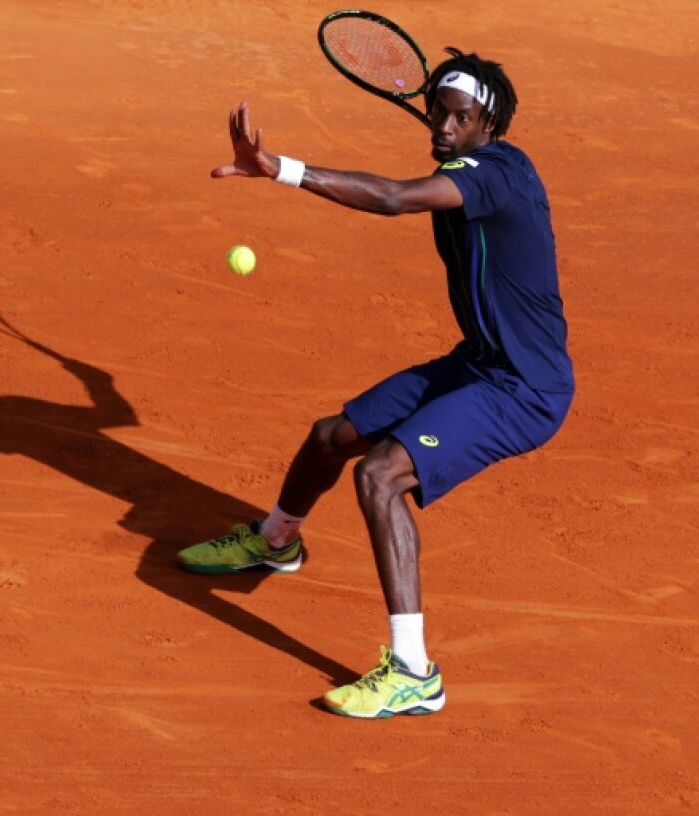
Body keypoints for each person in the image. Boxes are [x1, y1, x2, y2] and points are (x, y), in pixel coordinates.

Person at [176, 48, 575, 719]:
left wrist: (280, 170)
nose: (443, 127)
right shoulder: (466, 167)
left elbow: (392, 198)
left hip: (524, 389)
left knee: (381, 475)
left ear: (487, 120)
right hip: (478, 361)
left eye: (459, 117)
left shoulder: (500, 172)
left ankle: (414, 672)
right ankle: (276, 541)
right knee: (330, 437)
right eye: (437, 114)